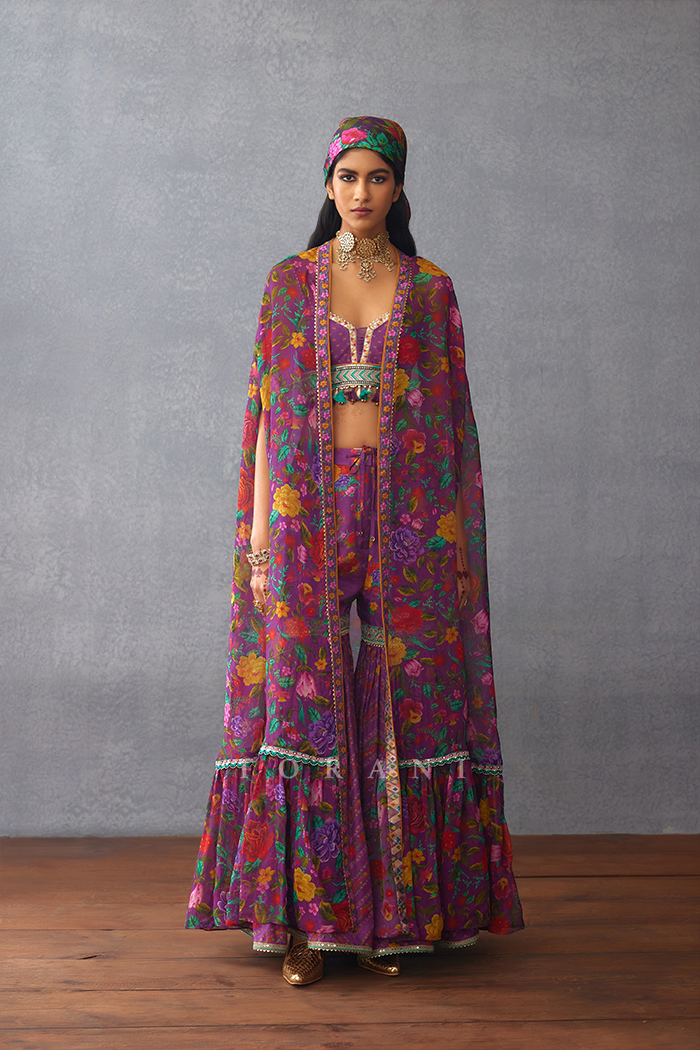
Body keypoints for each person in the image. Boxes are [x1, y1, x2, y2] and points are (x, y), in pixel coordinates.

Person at [186, 116, 524, 985]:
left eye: (378, 177)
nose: (361, 192)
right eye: (347, 177)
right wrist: (261, 537)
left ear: (398, 187)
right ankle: (304, 925)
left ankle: (394, 918)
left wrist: (455, 541)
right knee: (303, 706)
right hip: (306, 514)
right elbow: (266, 413)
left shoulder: (432, 289)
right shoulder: (289, 283)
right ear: (328, 185)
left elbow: (454, 426)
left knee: (406, 705)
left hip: (409, 515)